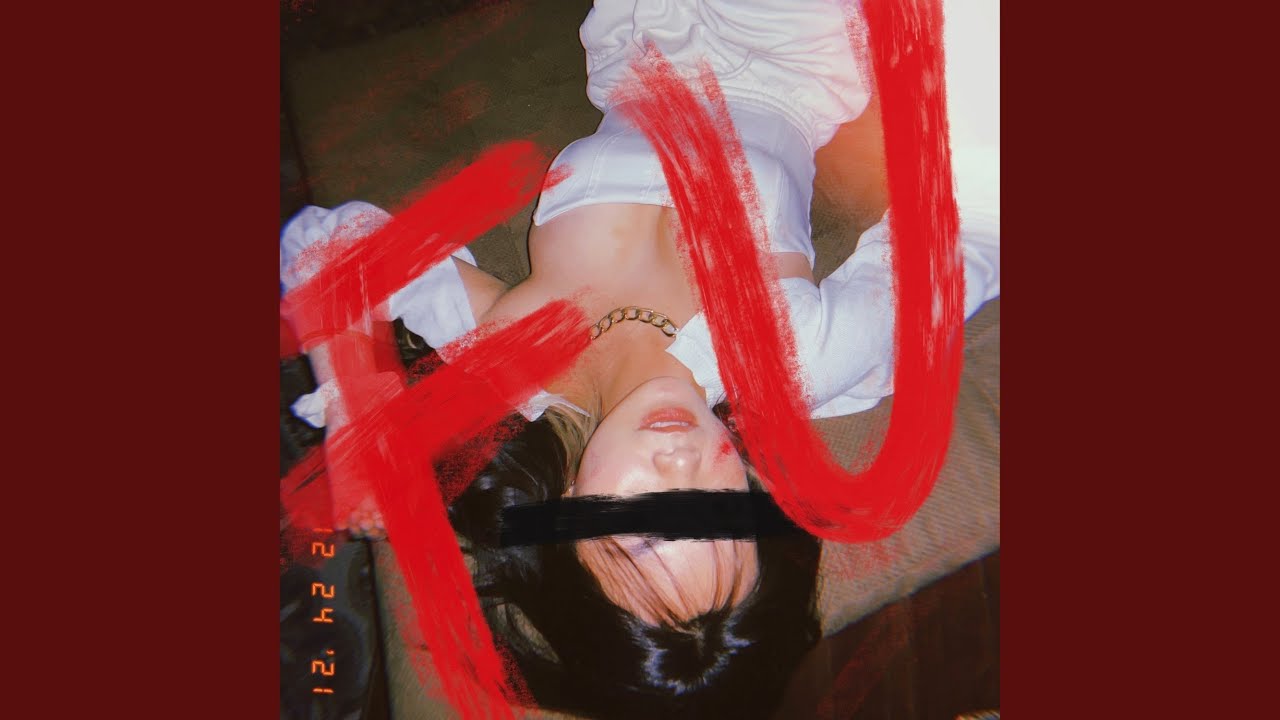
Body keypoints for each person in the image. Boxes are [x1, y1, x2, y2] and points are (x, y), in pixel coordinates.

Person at [280, 1, 1000, 717]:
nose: (681, 466)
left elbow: (329, 248)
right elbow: (967, 229)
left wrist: (355, 407)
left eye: (648, 530)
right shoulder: (790, 360)